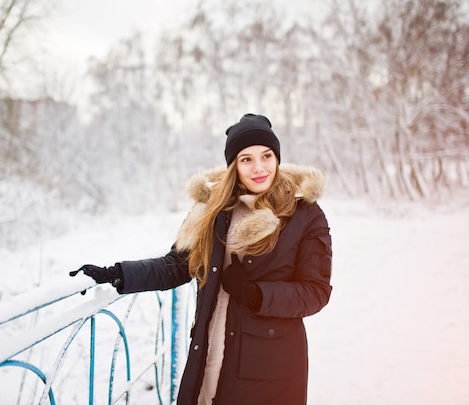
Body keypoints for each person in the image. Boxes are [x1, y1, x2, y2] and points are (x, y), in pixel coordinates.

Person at [70, 113, 332, 405]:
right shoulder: (214, 211)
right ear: (234, 165)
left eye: (266, 156)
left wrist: (255, 294)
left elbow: (315, 291)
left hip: (271, 366)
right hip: (210, 352)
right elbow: (176, 266)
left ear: (277, 158)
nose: (259, 168)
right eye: (246, 159)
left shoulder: (304, 215)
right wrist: (117, 274)